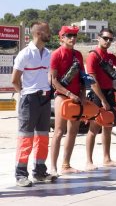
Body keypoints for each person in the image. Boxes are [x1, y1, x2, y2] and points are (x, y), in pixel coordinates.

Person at [11, 21, 57, 187]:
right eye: (47, 31)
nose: (50, 33)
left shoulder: (48, 54)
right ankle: (20, 175)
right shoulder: (25, 54)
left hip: (44, 99)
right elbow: (14, 80)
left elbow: (49, 76)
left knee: (43, 137)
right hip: (29, 99)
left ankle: (39, 172)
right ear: (38, 33)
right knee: (26, 138)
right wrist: (24, 94)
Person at [85, 28, 116, 171]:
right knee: (94, 128)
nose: (108, 41)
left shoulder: (110, 56)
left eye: (110, 39)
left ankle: (106, 158)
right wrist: (102, 100)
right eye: (105, 38)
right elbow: (92, 81)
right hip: (98, 95)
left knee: (108, 127)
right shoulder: (93, 56)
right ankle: (89, 161)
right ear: (98, 38)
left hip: (110, 93)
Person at [50, 26, 86, 176]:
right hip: (62, 96)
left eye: (74, 35)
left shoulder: (78, 54)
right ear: (62, 37)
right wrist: (69, 94)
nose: (72, 38)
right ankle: (53, 167)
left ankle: (66, 165)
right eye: (69, 35)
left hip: (77, 97)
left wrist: (83, 95)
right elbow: (53, 81)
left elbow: (83, 78)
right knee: (58, 132)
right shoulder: (56, 54)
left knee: (73, 132)